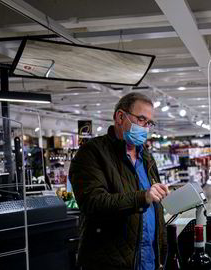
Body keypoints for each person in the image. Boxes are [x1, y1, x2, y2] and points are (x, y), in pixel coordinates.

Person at [69, 93, 169, 270]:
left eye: (149, 123)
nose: (145, 128)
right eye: (141, 119)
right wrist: (143, 197)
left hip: (149, 260)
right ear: (120, 117)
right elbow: (93, 202)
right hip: (111, 263)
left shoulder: (146, 157)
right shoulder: (92, 153)